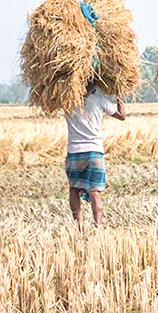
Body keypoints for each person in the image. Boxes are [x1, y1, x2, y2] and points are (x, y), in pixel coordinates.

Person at [65, 84, 126, 227]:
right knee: (95, 191)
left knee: (74, 188)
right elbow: (122, 116)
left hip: (74, 151)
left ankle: (77, 225)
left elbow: (49, 102)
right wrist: (119, 96)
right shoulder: (99, 100)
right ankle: (97, 226)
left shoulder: (67, 100)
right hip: (94, 151)